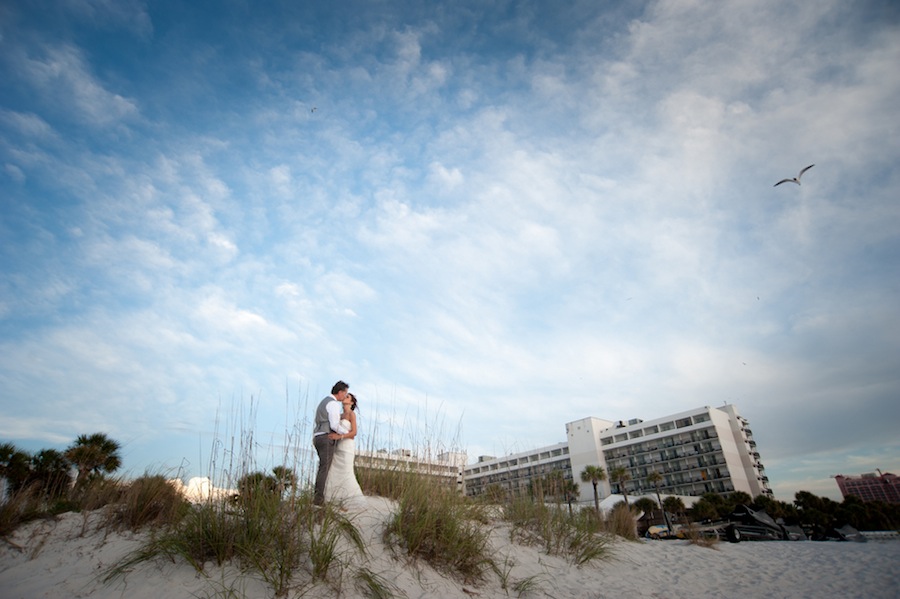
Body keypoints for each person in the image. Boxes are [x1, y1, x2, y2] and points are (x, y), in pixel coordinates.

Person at [324, 392, 367, 510]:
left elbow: (354, 433)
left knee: (346, 473)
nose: (345, 397)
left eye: (347, 397)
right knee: (333, 471)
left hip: (347, 447)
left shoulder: (351, 414)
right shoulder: (340, 415)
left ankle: (350, 502)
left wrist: (340, 437)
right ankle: (333, 500)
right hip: (337, 447)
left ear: (351, 402)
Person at [313, 380, 351, 506]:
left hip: (317, 436)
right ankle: (318, 499)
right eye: (345, 393)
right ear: (340, 392)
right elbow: (334, 425)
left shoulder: (323, 401)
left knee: (322, 467)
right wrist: (346, 432)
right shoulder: (333, 404)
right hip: (326, 437)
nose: (345, 396)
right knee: (324, 468)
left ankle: (319, 496)